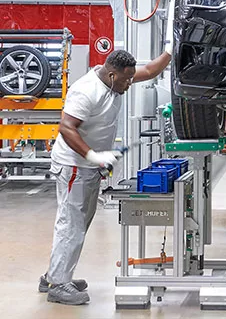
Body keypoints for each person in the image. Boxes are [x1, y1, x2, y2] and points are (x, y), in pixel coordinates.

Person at [40, 48, 172, 305]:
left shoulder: (117, 80)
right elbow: (66, 127)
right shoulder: (86, 91)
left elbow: (151, 70)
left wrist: (171, 50)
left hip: (87, 167)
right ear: (112, 75)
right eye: (126, 80)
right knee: (71, 224)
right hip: (74, 165)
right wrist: (92, 156)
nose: (130, 83)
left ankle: (55, 275)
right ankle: (58, 284)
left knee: (77, 223)